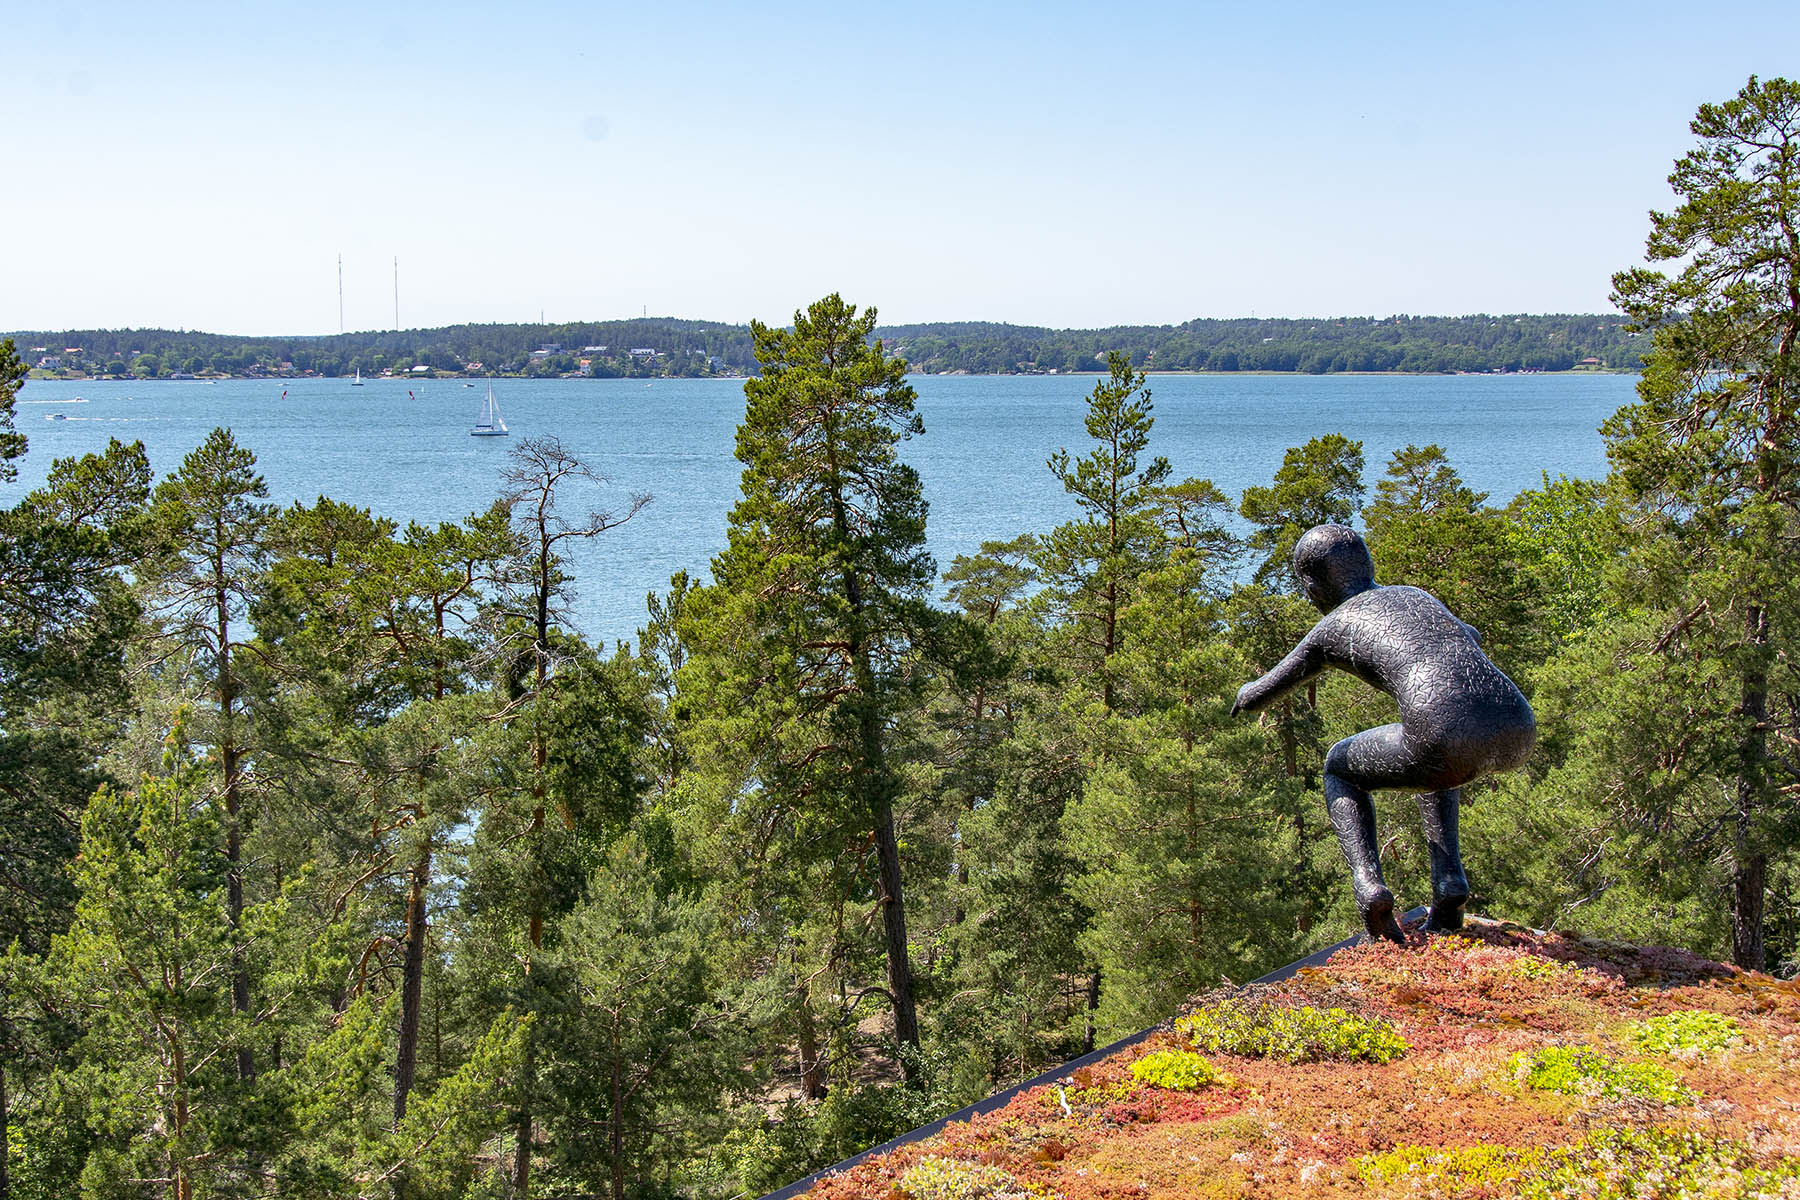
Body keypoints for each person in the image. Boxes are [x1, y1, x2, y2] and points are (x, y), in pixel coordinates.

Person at [1231, 524, 1535, 943]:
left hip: (1446, 732)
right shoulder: (1416, 595)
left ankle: (1368, 888)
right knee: (1438, 763)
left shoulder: (1332, 627)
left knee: (1340, 765)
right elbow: (1472, 635)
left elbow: (1258, 695)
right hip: (1516, 722)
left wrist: (1241, 696)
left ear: (1312, 586)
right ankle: (1449, 889)